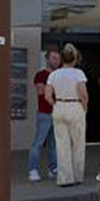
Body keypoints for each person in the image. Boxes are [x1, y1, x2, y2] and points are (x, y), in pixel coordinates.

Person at [45, 44, 90, 187]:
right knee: (78, 143)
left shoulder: (53, 74)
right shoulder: (78, 73)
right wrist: (85, 108)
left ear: (62, 58)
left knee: (62, 144)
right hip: (75, 106)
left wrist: (55, 104)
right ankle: (77, 176)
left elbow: (47, 96)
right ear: (75, 58)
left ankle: (65, 178)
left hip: (59, 106)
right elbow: (83, 94)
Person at [28, 49, 60, 182]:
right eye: (53, 58)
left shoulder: (59, 74)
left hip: (57, 113)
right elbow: (41, 92)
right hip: (45, 114)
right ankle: (33, 170)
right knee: (38, 143)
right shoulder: (41, 74)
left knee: (54, 144)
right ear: (47, 59)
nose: (56, 61)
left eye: (58, 59)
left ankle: (53, 169)